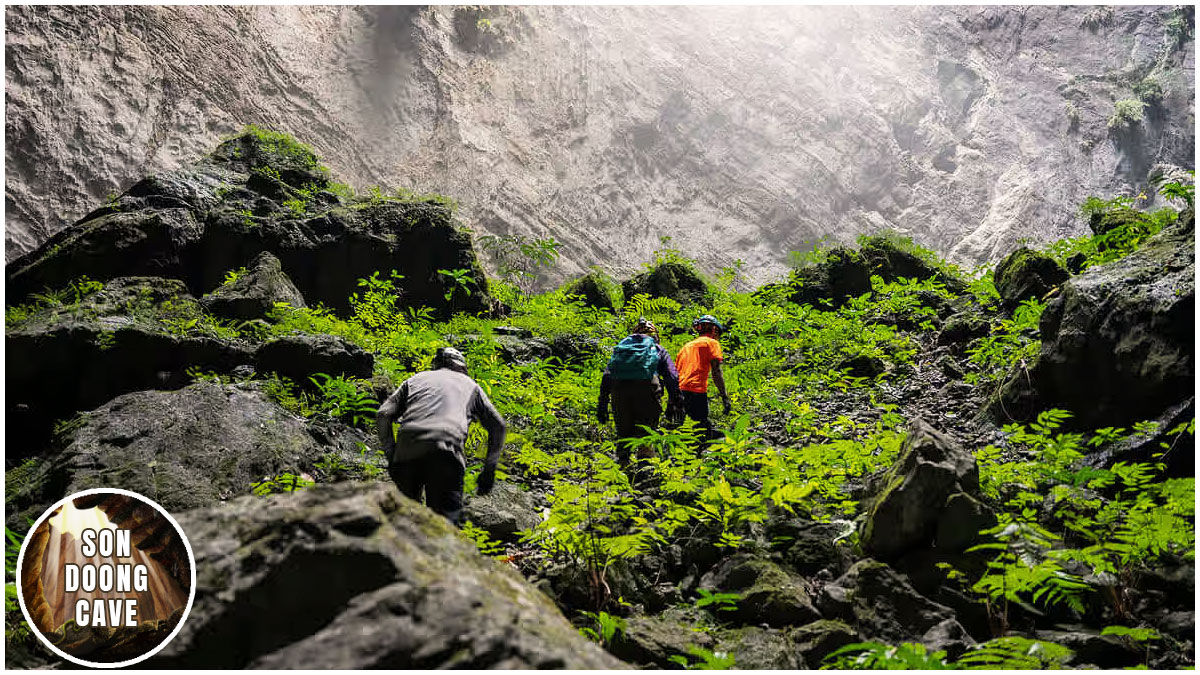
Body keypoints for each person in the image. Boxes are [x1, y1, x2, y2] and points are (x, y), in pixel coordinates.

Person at [377, 347, 506, 526]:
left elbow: (383, 414)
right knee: (446, 525)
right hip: (446, 450)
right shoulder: (470, 385)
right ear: (462, 367)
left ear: (436, 365)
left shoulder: (415, 379)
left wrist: (392, 454)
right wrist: (489, 470)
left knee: (404, 522)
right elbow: (498, 426)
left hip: (407, 451)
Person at [597, 317, 682, 465]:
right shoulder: (657, 349)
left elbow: (607, 375)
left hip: (619, 390)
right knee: (646, 429)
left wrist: (602, 404)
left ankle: (623, 466)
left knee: (623, 430)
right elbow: (672, 376)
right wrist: (676, 400)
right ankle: (645, 466)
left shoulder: (622, 350)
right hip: (648, 389)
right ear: (655, 336)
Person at [675, 315, 731, 440]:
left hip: (679, 391)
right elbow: (716, 371)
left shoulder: (686, 347)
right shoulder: (712, 343)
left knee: (684, 431)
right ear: (714, 330)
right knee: (699, 433)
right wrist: (724, 396)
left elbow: (675, 372)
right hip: (696, 391)